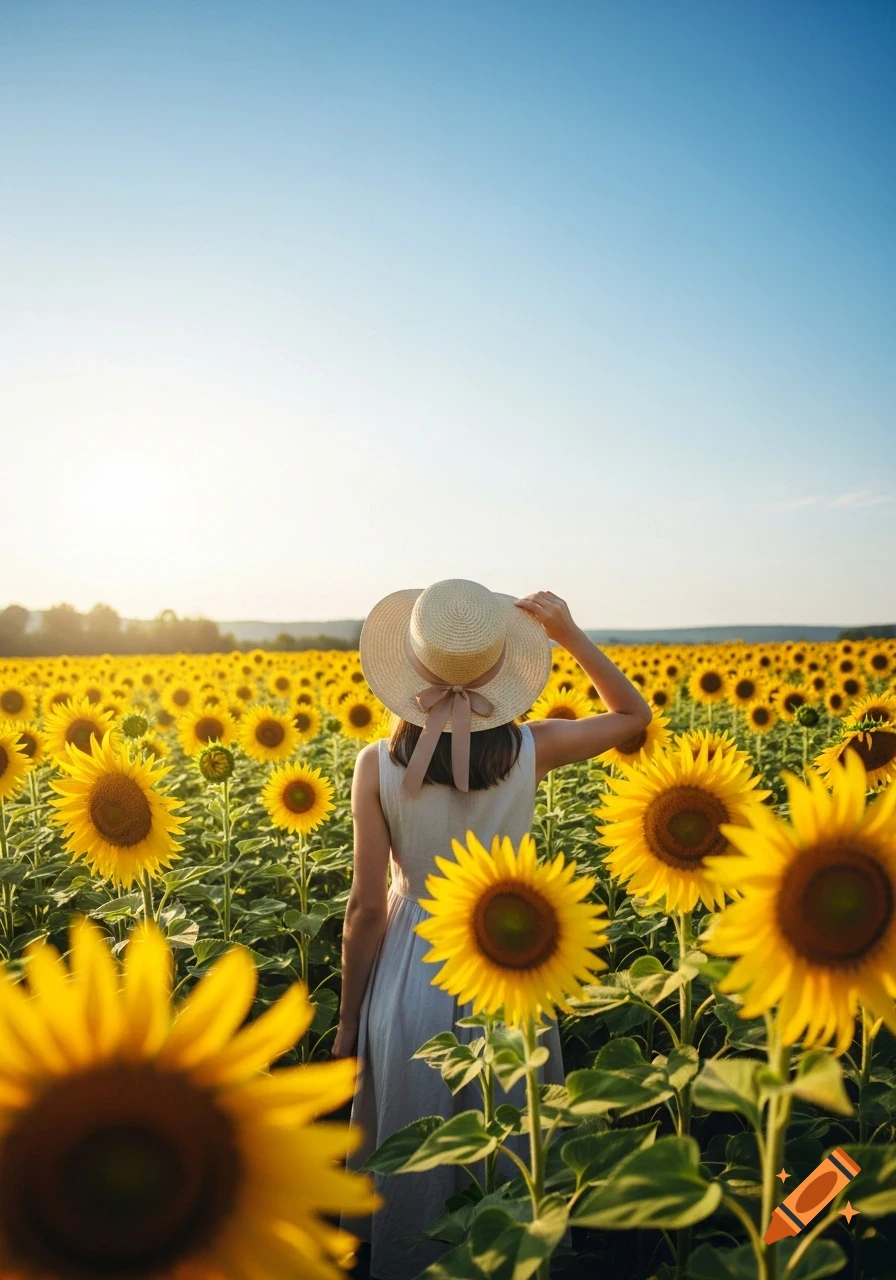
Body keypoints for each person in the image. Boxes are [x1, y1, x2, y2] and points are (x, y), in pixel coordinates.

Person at [334, 580, 653, 1280]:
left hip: (410, 967)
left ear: (411, 672)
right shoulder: (530, 750)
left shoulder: (374, 766)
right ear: (502, 673)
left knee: (415, 1151)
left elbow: (362, 910)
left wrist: (349, 1023)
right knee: (508, 1140)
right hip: (509, 959)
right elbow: (633, 718)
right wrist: (572, 637)